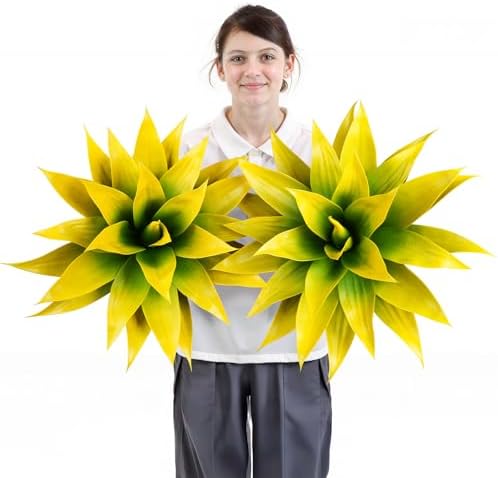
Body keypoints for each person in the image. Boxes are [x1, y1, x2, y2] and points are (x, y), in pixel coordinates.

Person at [173, 5, 332, 478]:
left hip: (293, 349)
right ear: (220, 68)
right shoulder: (188, 150)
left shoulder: (319, 151)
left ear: (288, 64)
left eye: (267, 56)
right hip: (206, 346)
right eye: (238, 58)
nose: (253, 70)